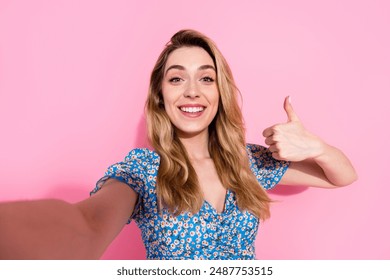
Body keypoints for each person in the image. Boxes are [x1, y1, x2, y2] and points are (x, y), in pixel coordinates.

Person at [0, 29, 357, 260]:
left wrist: (316, 147)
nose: (192, 91)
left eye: (206, 77)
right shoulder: (142, 170)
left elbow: (341, 176)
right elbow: (87, 224)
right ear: (161, 95)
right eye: (176, 79)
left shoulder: (246, 162)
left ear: (220, 91)